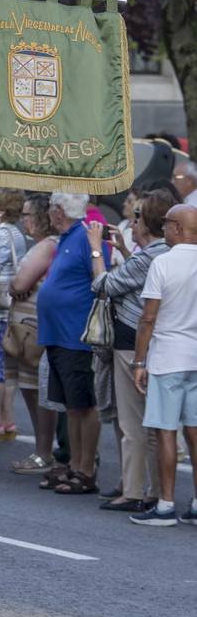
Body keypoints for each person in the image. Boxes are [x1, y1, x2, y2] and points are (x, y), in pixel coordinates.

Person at [89, 189, 171, 512]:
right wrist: (123, 249)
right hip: (155, 345)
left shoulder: (149, 256)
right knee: (152, 425)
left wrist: (97, 252)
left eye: (136, 218)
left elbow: (104, 285)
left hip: (131, 344)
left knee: (131, 423)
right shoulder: (163, 253)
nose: (131, 224)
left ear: (146, 223)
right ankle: (150, 490)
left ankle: (134, 490)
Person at [129, 204, 197, 526]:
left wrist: (139, 361)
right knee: (195, 432)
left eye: (168, 224)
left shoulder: (163, 263)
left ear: (179, 229)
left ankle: (167, 504)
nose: (165, 229)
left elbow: (148, 318)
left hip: (168, 356)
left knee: (166, 431)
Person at [36, 192, 108, 494]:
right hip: (59, 335)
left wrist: (95, 248)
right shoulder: (67, 237)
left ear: (59, 211)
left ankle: (85, 468)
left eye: (52, 209)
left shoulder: (84, 237)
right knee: (71, 406)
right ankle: (76, 463)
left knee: (84, 405)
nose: (50, 214)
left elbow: (100, 278)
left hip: (75, 336)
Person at [7, 195, 62, 475]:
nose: (24, 219)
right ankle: (44, 449)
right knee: (31, 389)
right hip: (29, 324)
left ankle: (43, 451)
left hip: (33, 327)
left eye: (28, 214)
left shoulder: (47, 245)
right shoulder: (43, 244)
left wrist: (15, 287)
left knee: (36, 390)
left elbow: (19, 282)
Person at [0, 189, 29, 442]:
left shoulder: (1, 234)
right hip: (11, 305)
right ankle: (8, 418)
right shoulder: (16, 232)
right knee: (8, 370)